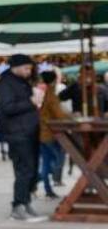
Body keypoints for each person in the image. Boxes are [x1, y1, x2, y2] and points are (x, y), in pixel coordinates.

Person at [0, 54, 45, 223]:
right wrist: (31, 101)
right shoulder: (5, 84)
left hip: (30, 132)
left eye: (30, 68)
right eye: (26, 68)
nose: (29, 71)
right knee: (24, 170)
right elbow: (7, 108)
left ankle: (26, 202)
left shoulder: (22, 82)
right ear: (15, 67)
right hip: (18, 134)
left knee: (31, 170)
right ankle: (18, 207)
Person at [39, 70, 72, 199]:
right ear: (54, 80)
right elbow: (58, 114)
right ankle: (34, 180)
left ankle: (47, 189)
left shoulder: (48, 93)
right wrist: (72, 117)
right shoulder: (52, 96)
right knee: (58, 160)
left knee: (47, 162)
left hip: (44, 133)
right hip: (50, 134)